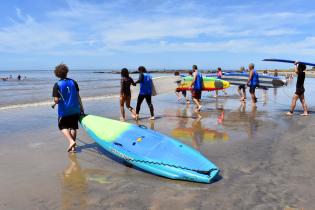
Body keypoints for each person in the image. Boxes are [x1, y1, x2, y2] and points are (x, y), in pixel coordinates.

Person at [52, 64, 84, 152]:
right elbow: (78, 96)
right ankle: (73, 148)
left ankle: (71, 141)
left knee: (61, 126)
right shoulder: (73, 82)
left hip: (64, 111)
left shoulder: (57, 85)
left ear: (57, 74)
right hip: (75, 109)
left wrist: (56, 101)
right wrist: (81, 108)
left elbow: (56, 100)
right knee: (73, 127)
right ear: (66, 72)